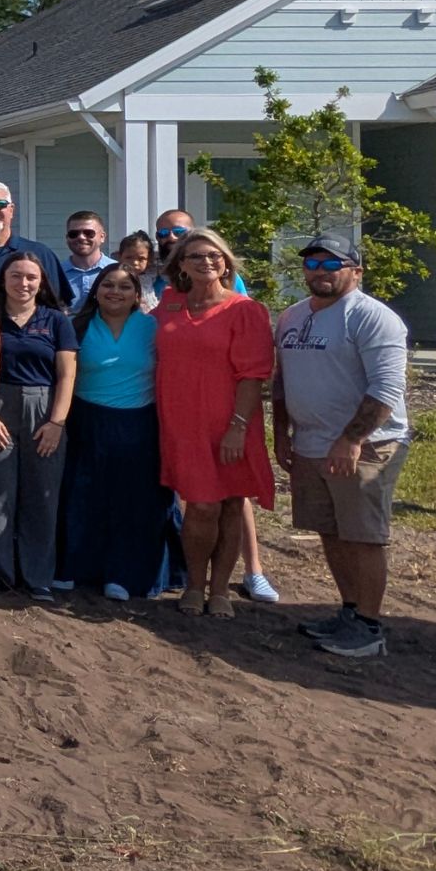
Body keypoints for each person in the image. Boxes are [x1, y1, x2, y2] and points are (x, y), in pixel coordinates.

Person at [273, 236, 407, 658]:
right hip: (311, 444)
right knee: (331, 531)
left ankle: (369, 627)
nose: (319, 271)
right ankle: (349, 611)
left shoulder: (372, 317)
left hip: (364, 447)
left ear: (356, 270)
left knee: (362, 536)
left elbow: (386, 388)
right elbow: (281, 382)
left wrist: (351, 440)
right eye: (312, 262)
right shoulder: (292, 317)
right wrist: (280, 433)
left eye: (331, 263)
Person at [153, 227, 273, 618]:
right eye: (196, 257)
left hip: (229, 423)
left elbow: (253, 374)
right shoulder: (170, 304)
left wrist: (238, 426)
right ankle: (193, 584)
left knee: (230, 504)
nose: (206, 262)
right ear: (181, 265)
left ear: (225, 262)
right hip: (182, 423)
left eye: (214, 256)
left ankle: (219, 589)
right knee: (201, 506)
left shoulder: (244, 309)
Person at [0, 252, 78, 601]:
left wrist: (57, 422)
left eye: (31, 277)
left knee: (41, 495)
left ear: (42, 282)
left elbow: (67, 373)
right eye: (16, 276)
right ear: (3, 280)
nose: (23, 284)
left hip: (43, 409)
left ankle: (37, 575)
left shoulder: (56, 321)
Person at [59, 264, 175, 601]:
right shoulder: (76, 326)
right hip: (86, 421)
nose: (115, 292)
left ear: (137, 295)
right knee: (83, 497)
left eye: (125, 287)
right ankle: (76, 567)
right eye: (108, 284)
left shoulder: (153, 327)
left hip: (138, 424)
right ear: (96, 291)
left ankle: (124, 574)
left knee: (133, 501)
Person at [62, 211, 114, 310]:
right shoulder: (56, 273)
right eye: (74, 234)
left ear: (102, 237)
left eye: (89, 233)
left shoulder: (118, 271)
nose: (81, 237)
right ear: (67, 238)